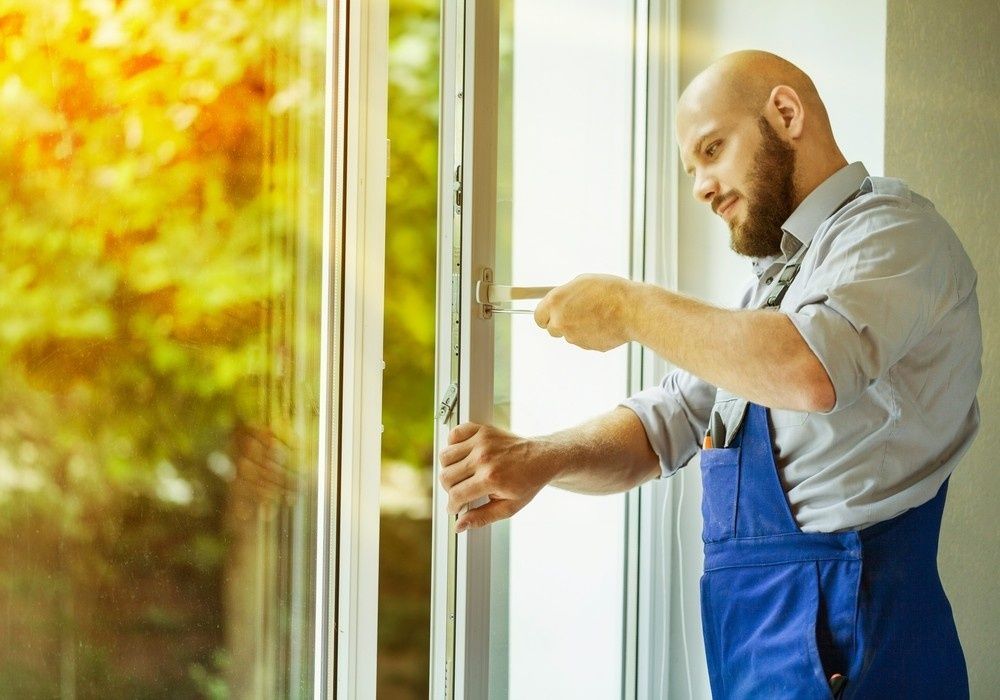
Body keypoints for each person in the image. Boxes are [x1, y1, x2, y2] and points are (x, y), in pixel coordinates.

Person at [437, 50, 980, 698]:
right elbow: (670, 420)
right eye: (692, 168)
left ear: (785, 113)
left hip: (855, 645)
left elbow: (809, 369)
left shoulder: (892, 231)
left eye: (713, 149)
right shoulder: (779, 289)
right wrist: (539, 459)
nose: (701, 186)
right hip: (760, 639)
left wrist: (627, 305)